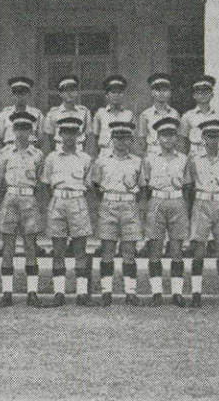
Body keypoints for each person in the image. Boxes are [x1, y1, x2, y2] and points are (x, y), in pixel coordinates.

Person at [90, 121, 143, 307]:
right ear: (112, 139)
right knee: (107, 250)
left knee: (129, 251)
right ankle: (106, 291)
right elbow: (95, 185)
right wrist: (108, 199)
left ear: (131, 140)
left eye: (126, 138)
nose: (121, 141)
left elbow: (142, 187)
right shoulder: (102, 160)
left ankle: (131, 292)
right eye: (118, 137)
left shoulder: (137, 161)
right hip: (109, 204)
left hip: (129, 204)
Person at [0, 111, 46, 307]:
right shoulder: (5, 153)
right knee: (8, 247)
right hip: (10, 197)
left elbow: (40, 181)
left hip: (28, 198)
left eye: (25, 128)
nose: (21, 132)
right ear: (13, 130)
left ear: (31, 131)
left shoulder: (38, 155)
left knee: (30, 246)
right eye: (18, 128)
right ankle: (7, 293)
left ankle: (32, 293)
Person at [42, 116, 93, 306]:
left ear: (78, 135)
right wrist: (59, 197)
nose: (69, 137)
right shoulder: (52, 158)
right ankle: (59, 292)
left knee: (80, 249)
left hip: (77, 201)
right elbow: (46, 184)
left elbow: (89, 185)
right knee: (58, 250)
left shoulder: (85, 158)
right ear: (60, 135)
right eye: (65, 133)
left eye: (73, 133)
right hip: (58, 201)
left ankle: (82, 293)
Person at [141, 117, 191, 307]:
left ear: (177, 138)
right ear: (158, 138)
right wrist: (147, 207)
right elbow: (145, 186)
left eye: (171, 135)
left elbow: (188, 186)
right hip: (157, 200)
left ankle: (177, 292)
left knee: (176, 249)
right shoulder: (150, 159)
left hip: (177, 200)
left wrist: (185, 207)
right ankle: (157, 292)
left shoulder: (184, 159)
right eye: (164, 135)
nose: (168, 139)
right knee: (155, 247)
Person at [186, 119, 219, 308]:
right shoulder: (194, 159)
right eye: (208, 136)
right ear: (203, 137)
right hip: (201, 202)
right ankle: (196, 293)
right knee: (199, 250)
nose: (212, 140)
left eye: (216, 136)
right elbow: (189, 185)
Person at [43, 75, 92, 154]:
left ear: (77, 93)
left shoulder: (84, 112)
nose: (69, 93)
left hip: (79, 152)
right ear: (60, 93)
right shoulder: (53, 113)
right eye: (65, 90)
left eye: (72, 90)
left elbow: (87, 137)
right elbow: (50, 139)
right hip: (59, 152)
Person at [0, 77, 44, 150]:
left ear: (29, 94)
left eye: (23, 93)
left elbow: (40, 139)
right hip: (9, 150)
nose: (20, 97)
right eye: (16, 93)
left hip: (30, 150)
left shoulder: (37, 114)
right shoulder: (4, 114)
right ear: (12, 95)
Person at [179, 75, 219, 156]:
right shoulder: (187, 116)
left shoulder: (218, 115)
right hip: (195, 154)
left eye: (206, 91)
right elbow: (182, 140)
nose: (203, 94)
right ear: (194, 95)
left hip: (213, 154)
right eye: (199, 92)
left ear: (212, 94)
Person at [137, 73, 180, 156]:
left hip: (170, 153)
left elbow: (178, 138)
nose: (161, 93)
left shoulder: (175, 113)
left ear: (169, 93)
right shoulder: (145, 114)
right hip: (152, 152)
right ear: (152, 93)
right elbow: (142, 140)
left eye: (165, 90)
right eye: (158, 90)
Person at [92, 75, 134, 157]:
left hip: (123, 154)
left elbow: (131, 139)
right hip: (105, 153)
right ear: (107, 95)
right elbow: (95, 138)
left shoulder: (129, 114)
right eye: (113, 92)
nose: (116, 95)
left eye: (119, 92)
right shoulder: (100, 113)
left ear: (123, 95)